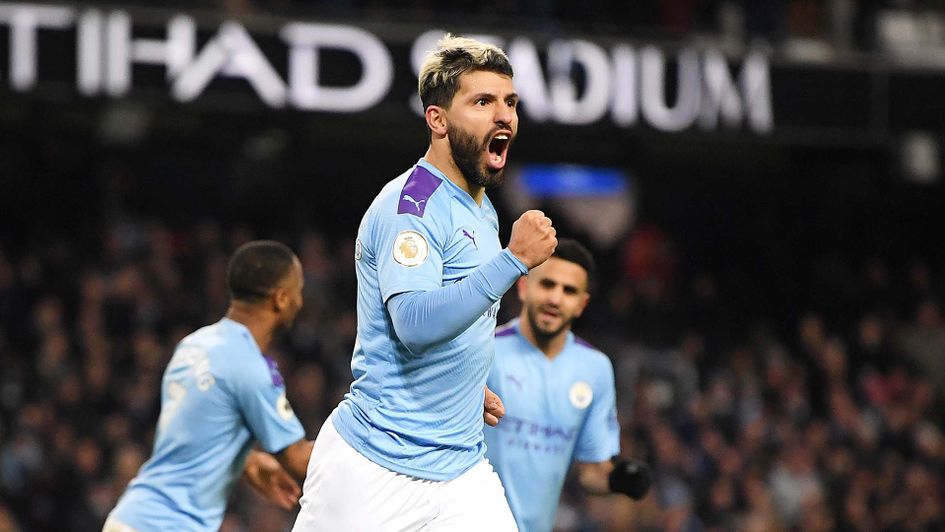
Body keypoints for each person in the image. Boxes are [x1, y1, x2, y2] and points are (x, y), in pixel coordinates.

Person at [292, 34, 557, 531]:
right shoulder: (409, 207)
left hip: (461, 472)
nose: (504, 116)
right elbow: (413, 323)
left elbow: (456, 307)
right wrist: (514, 259)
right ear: (437, 120)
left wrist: (460, 384)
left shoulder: (481, 206)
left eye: (510, 102)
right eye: (482, 102)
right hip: (374, 468)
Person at [104, 240, 314, 531]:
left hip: (131, 517)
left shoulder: (193, 346)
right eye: (298, 291)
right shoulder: (250, 365)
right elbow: (298, 459)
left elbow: (187, 435)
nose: (300, 301)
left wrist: (245, 461)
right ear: (281, 299)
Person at [484, 239, 652, 532]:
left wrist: (619, 479)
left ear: (582, 304)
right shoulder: (486, 350)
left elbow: (592, 470)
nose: (556, 298)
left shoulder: (595, 368)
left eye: (569, 290)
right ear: (524, 288)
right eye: (547, 284)